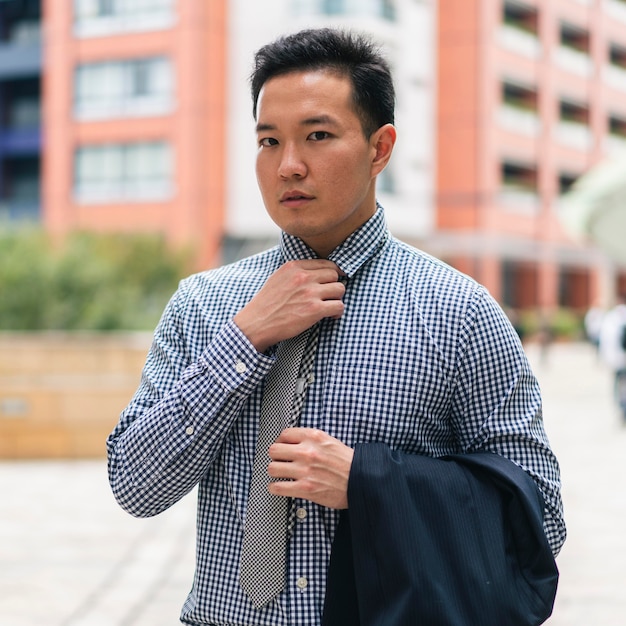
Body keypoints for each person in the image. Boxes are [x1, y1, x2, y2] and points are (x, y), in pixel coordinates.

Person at [107, 28, 566, 625]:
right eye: (269, 141)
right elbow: (137, 486)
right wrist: (244, 340)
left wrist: (370, 483)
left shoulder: (460, 311)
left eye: (317, 136)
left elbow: (540, 520)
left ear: (380, 148)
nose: (288, 166)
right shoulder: (204, 304)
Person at [599, 293, 626, 421]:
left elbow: (606, 339)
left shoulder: (612, 317)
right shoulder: (614, 317)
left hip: (617, 358)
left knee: (618, 384)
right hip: (620, 357)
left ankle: (621, 408)